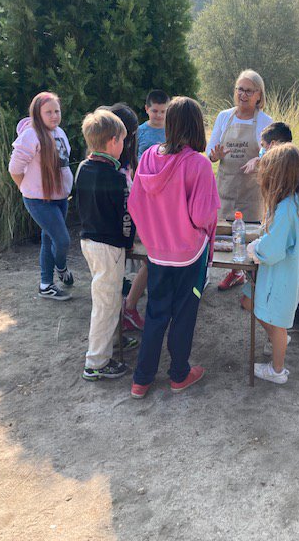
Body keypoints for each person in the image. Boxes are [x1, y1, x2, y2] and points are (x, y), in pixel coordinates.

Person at [128, 97, 220, 399]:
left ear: (169, 123)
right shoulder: (199, 164)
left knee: (155, 311)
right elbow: (203, 216)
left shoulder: (149, 157)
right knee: (183, 314)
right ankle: (179, 374)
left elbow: (135, 204)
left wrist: (152, 234)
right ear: (197, 125)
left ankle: (141, 380)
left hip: (156, 252)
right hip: (189, 255)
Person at [241, 144, 299, 384]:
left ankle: (277, 370)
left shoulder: (287, 208)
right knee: (264, 312)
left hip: (279, 276)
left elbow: (275, 248)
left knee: (277, 323)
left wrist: (256, 248)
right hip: (291, 273)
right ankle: (278, 352)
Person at [75, 109, 137, 381]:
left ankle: (112, 343)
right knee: (107, 302)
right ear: (113, 141)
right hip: (109, 245)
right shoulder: (116, 176)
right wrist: (128, 243)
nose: (124, 146)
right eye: (123, 140)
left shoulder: (83, 167)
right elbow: (126, 215)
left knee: (107, 297)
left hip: (88, 241)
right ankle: (96, 362)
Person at [206, 69, 272, 291]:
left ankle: (252, 281)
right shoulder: (225, 116)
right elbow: (209, 153)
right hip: (225, 185)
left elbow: (272, 155)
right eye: (240, 89)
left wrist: (257, 160)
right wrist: (215, 156)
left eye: (249, 91)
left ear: (259, 95)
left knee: (250, 235)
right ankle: (235, 273)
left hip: (250, 190)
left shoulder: (265, 121)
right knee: (226, 232)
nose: (243, 95)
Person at [9, 91, 74, 301]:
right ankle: (61, 267)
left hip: (60, 198)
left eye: (57, 111)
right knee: (62, 240)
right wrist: (26, 188)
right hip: (39, 200)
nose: (54, 116)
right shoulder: (31, 135)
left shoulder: (59, 132)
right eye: (49, 112)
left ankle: (46, 284)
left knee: (49, 240)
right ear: (38, 113)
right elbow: (15, 168)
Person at [106, 103, 148, 331]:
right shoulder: (106, 167)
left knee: (151, 260)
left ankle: (129, 307)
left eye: (132, 135)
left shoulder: (126, 158)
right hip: (119, 230)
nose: (129, 141)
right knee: (151, 258)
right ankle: (126, 310)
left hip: (131, 222)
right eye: (127, 135)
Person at [137, 89, 170, 160]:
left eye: (163, 111)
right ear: (147, 109)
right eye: (155, 111)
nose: (159, 115)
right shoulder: (139, 131)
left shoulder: (173, 132)